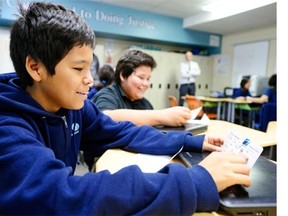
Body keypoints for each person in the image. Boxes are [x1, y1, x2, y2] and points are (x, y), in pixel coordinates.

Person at [0, 2, 251, 215]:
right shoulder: (8, 126)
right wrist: (195, 182)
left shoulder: (72, 107)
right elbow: (66, 196)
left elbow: (122, 132)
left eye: (90, 68)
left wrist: (193, 142)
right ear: (35, 68)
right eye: (78, 69)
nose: (90, 79)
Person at [92, 49, 192, 127]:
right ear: (123, 75)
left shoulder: (145, 104)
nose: (146, 83)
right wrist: (161, 115)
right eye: (141, 77)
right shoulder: (106, 96)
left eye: (148, 78)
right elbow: (105, 118)